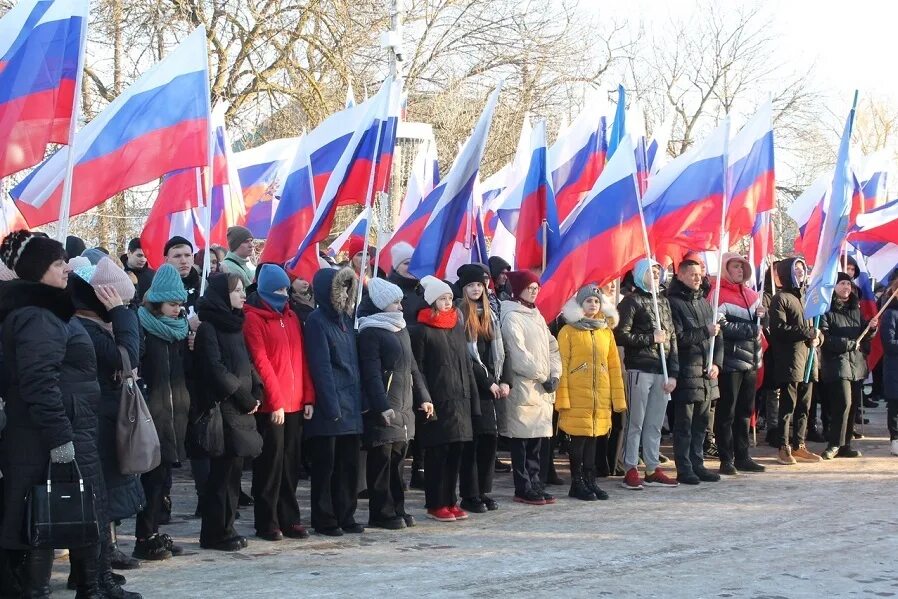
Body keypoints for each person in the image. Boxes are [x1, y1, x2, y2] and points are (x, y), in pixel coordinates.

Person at [0, 231, 106, 597]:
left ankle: (90, 585)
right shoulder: (36, 316)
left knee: (59, 516)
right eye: (57, 264)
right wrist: (61, 437)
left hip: (64, 428)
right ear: (37, 270)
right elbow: (38, 383)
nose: (66, 270)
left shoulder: (49, 311)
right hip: (45, 436)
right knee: (41, 520)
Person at [68, 257, 144, 597]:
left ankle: (98, 577)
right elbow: (126, 356)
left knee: (101, 506)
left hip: (100, 422)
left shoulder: (91, 326)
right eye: (118, 299)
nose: (123, 306)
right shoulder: (84, 327)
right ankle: (94, 581)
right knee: (95, 507)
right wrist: (122, 314)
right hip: (93, 425)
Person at [243, 265, 315, 541]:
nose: (285, 295)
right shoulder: (253, 320)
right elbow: (261, 362)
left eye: (287, 289)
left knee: (290, 465)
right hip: (274, 406)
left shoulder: (292, 317)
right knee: (270, 466)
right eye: (280, 290)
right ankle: (267, 520)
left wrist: (308, 396)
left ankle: (289, 517)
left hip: (295, 403)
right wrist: (275, 402)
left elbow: (301, 359)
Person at [193, 273, 263, 551]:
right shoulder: (210, 327)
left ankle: (227, 526)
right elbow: (214, 368)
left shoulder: (236, 325)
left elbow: (246, 363)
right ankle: (215, 532)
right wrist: (243, 396)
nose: (243, 295)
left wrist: (257, 389)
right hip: (224, 410)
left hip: (242, 409)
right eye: (236, 291)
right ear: (223, 295)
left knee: (234, 474)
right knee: (221, 476)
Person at [357, 277, 433, 528]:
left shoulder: (401, 329)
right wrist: (381, 406)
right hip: (385, 407)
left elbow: (412, 367)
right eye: (395, 303)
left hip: (404, 404)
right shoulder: (370, 331)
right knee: (381, 462)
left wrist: (423, 397)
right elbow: (371, 373)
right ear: (381, 304)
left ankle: (397, 507)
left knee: (398, 461)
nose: (401, 307)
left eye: (401, 302)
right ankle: (381, 512)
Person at [133, 264, 190, 561]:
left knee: (163, 480)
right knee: (149, 479)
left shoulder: (180, 332)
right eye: (171, 304)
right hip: (150, 413)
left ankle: (152, 533)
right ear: (156, 302)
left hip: (174, 413)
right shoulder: (142, 328)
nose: (176, 310)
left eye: (179, 304)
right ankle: (144, 536)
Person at [303, 267, 365, 536]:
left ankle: (346, 513)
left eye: (347, 288)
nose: (345, 293)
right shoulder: (317, 321)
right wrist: (331, 405)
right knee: (326, 467)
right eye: (340, 288)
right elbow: (321, 366)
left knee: (348, 466)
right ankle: (325, 517)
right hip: (331, 406)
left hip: (351, 402)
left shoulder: (347, 320)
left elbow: (355, 364)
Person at [410, 276, 477, 521]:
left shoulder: (456, 327)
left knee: (456, 452)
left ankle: (451, 500)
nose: (448, 303)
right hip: (437, 401)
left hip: (460, 399)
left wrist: (473, 400)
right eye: (442, 299)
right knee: (438, 453)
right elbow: (418, 368)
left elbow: (466, 365)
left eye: (449, 298)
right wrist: (425, 397)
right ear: (431, 301)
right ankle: (436, 502)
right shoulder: (421, 330)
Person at [556, 285, 626, 501]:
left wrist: (618, 398)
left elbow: (614, 366)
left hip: (600, 397)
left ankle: (590, 480)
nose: (593, 305)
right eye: (588, 301)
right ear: (580, 304)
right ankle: (577, 483)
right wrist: (563, 398)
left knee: (594, 439)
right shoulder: (568, 331)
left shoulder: (606, 332)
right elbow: (562, 366)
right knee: (578, 441)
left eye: (596, 301)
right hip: (577, 396)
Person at [614, 258, 680, 490]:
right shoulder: (631, 302)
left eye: (657, 271)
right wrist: (650, 338)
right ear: (640, 274)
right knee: (636, 422)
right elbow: (621, 335)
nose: (654, 275)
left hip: (660, 371)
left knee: (654, 423)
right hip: (639, 369)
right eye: (650, 271)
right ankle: (630, 466)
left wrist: (673, 372)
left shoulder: (663, 301)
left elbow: (671, 338)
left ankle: (652, 467)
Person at [499, 270, 562, 505]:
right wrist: (543, 374)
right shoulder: (511, 316)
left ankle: (536, 483)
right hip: (524, 387)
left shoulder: (536, 314)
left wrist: (555, 373)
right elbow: (517, 354)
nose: (534, 291)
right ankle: (523, 486)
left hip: (541, 390)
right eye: (530, 287)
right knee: (522, 441)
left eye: (537, 288)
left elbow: (552, 347)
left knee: (537, 441)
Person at [456, 264, 509, 513]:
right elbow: (466, 357)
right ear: (464, 288)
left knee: (490, 440)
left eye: (479, 284)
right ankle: (470, 493)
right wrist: (488, 381)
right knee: (474, 441)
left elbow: (501, 350)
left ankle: (484, 490)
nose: (476, 289)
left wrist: (504, 380)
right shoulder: (460, 313)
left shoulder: (491, 313)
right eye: (471, 285)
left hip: (493, 385)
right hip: (474, 386)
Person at [667, 260, 722, 485]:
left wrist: (716, 363)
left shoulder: (705, 303)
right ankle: (684, 467)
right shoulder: (673, 303)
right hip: (686, 372)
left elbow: (718, 337)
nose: (697, 278)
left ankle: (698, 464)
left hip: (706, 374)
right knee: (684, 425)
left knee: (701, 424)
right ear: (680, 276)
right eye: (691, 274)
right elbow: (677, 339)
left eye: (699, 274)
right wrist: (704, 332)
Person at [712, 253, 767, 474]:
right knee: (727, 413)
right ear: (726, 268)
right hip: (730, 362)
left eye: (742, 267)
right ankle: (726, 459)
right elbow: (721, 327)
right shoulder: (717, 295)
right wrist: (751, 329)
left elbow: (763, 327)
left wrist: (764, 315)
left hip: (751, 362)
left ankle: (743, 455)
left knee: (745, 411)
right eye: (735, 266)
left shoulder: (753, 295)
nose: (740, 270)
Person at [769, 258, 822, 465]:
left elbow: (818, 328)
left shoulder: (809, 297)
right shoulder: (780, 298)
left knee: (804, 407)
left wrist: (819, 337)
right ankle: (784, 446)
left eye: (802, 268)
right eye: (796, 269)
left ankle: (800, 444)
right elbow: (779, 330)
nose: (800, 272)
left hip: (809, 359)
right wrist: (807, 332)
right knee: (788, 407)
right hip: (791, 360)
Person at [819, 273, 876, 459]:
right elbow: (825, 338)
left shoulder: (855, 309)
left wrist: (871, 328)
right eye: (842, 283)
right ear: (834, 287)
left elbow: (863, 335)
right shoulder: (826, 309)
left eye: (848, 284)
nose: (846, 287)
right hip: (837, 362)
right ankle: (834, 443)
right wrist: (848, 344)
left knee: (852, 406)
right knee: (842, 403)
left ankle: (846, 444)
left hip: (856, 363)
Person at [881, 270, 898, 456]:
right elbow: (889, 343)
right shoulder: (890, 314)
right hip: (895, 367)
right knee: (895, 406)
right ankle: (895, 439)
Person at [121, 238, 155, 306]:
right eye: (139, 255)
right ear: (129, 253)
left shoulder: (153, 276)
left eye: (146, 256)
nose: (143, 260)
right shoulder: (116, 272)